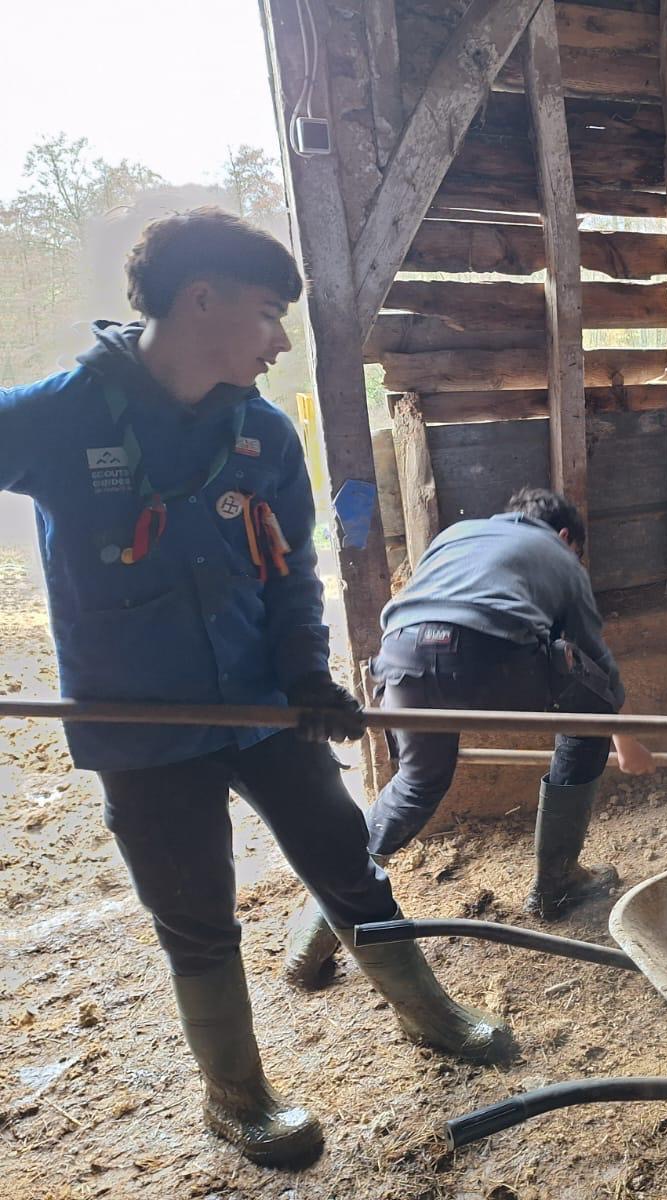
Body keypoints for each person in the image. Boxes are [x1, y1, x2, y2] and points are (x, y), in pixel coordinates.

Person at [0, 209, 513, 1167]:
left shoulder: (263, 434)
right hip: (140, 728)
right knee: (195, 912)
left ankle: (426, 1011)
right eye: (272, 314)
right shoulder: (61, 413)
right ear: (204, 300)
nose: (283, 340)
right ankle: (236, 1096)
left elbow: (289, 573)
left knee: (344, 857)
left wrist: (308, 674)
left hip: (260, 705)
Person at [283, 487, 655, 985]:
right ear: (566, 537)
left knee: (417, 783)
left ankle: (315, 930)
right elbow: (597, 663)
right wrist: (626, 742)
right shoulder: (561, 559)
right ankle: (556, 884)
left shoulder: (454, 536)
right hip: (490, 661)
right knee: (589, 711)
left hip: (402, 661)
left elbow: (429, 608)